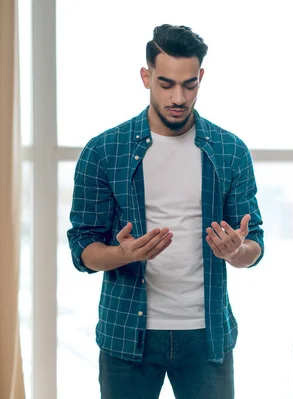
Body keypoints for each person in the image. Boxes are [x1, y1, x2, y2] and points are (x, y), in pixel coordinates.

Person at [66, 23, 264, 399]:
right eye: (166, 83)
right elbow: (82, 250)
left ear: (201, 77)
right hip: (127, 335)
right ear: (146, 77)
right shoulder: (104, 151)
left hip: (207, 336)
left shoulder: (230, 150)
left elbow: (254, 244)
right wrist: (120, 254)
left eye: (189, 84)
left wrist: (237, 252)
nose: (178, 97)